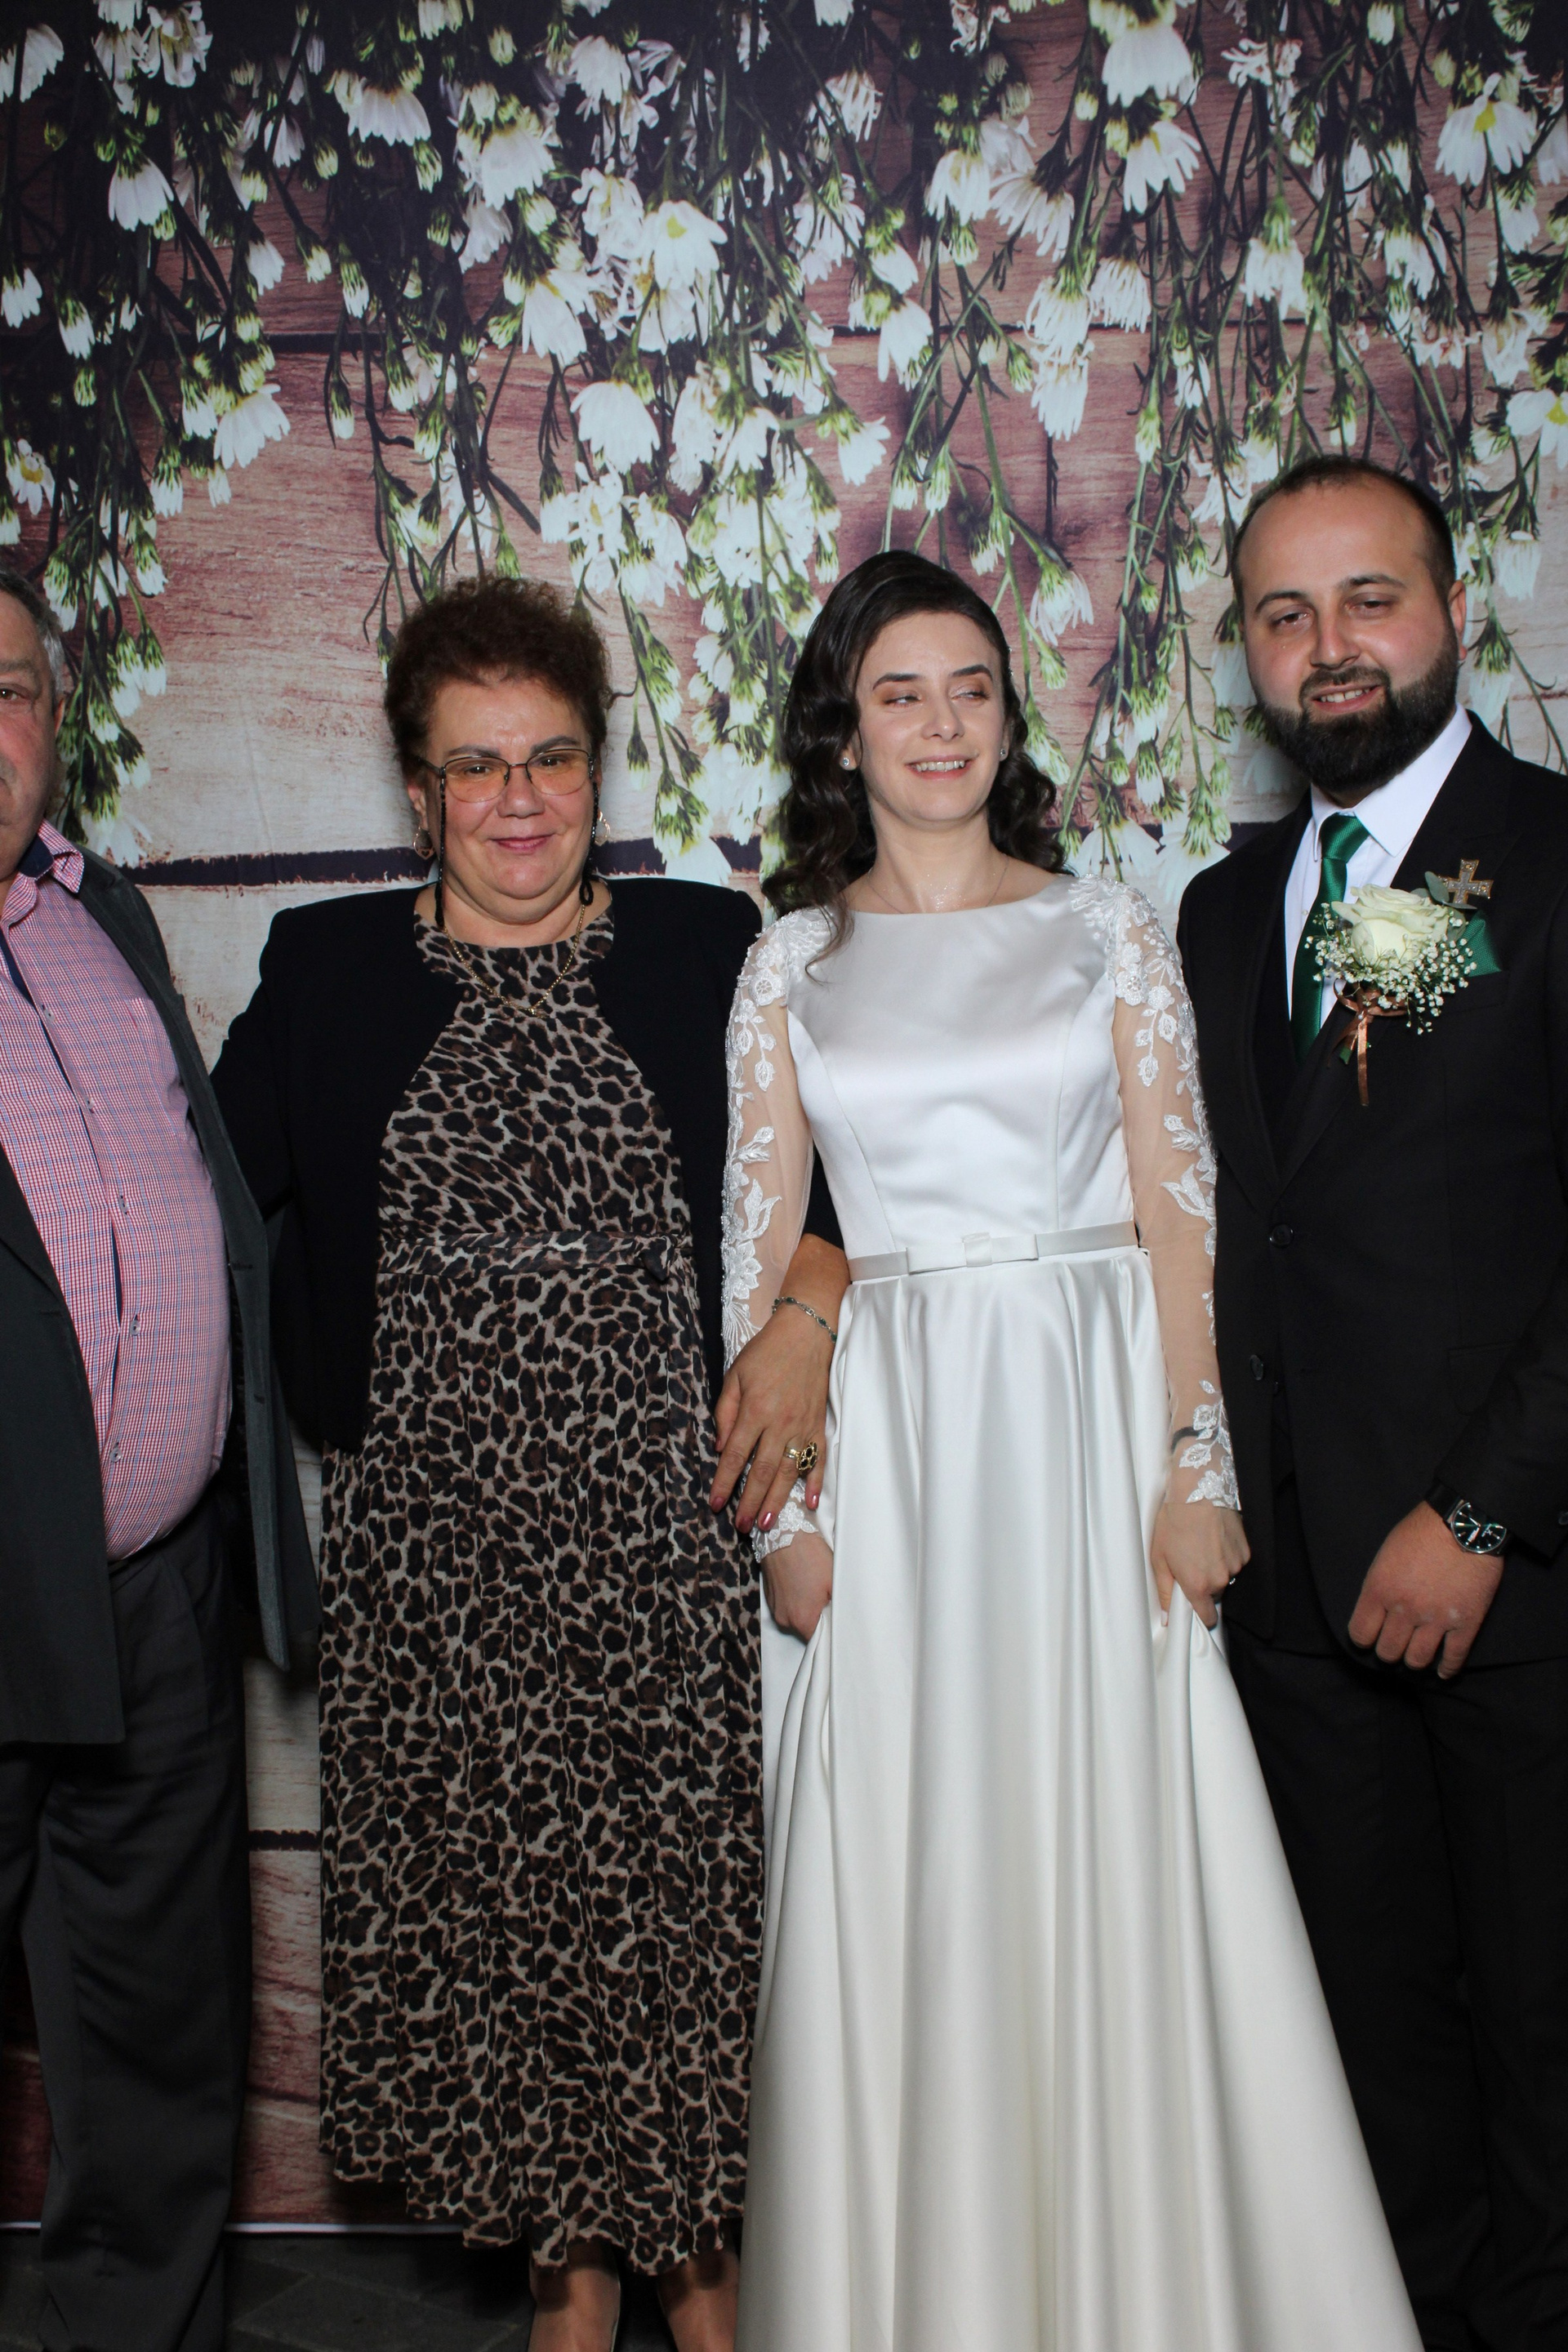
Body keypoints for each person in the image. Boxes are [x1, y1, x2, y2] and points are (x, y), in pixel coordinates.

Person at [724, 549, 1420, 2352]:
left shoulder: (1109, 927)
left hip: (1089, 1431)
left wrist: (1198, 1472)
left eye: (972, 688)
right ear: (845, 734)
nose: (941, 724)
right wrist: (788, 1520)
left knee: (1120, 1863)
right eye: (900, 695)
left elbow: (1184, 1221)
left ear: (1008, 719)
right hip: (896, 1460)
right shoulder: (790, 961)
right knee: (918, 1879)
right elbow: (764, 1254)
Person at [212, 577, 847, 2352]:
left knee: (673, 1935)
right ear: (418, 786)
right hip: (439, 1565)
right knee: (514, 1948)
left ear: (596, 767)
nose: (517, 801)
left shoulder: (706, 947)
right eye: (475, 766)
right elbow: (199, 1204)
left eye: (551, 759)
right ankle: (575, 2298)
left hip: (667, 1544)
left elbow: (865, 1173)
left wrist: (807, 1309)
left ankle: (698, 2297)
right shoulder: (325, 968)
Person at [1178, 453, 1568, 2352]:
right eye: (1284, 614)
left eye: (1369, 600)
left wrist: (1482, 1509)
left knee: (1548, 2062)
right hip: (1297, 1606)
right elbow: (1260, 1214)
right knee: (1372, 2072)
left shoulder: (1552, 856)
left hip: (1514, 1589)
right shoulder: (1219, 908)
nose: (1328, 646)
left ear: (1453, 613)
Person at [0, 567, 314, 2350]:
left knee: (158, 2070)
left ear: (54, 717)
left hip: (152, 1592)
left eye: (8, 690)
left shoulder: (96, 910)